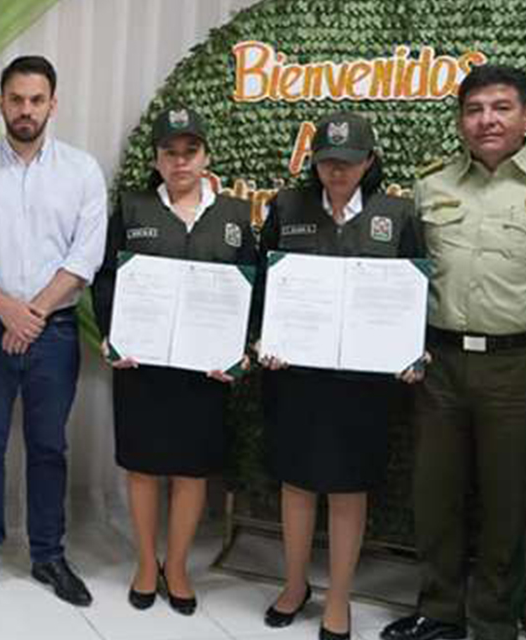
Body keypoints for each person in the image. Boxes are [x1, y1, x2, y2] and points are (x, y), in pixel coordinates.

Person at [0, 55, 108, 607]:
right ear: (0, 102)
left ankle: (49, 555)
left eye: (36, 100)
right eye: (16, 99)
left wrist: (32, 313)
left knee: (48, 447)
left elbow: (85, 256)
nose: (25, 110)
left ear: (52, 104)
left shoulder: (83, 172)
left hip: (54, 333)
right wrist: (7, 312)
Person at [257, 112, 425, 640]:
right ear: (314, 162)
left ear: (368, 162)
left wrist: (412, 352)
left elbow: (414, 293)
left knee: (349, 487)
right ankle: (293, 585)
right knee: (298, 482)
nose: (337, 172)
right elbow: (265, 281)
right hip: (297, 376)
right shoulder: (288, 207)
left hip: (362, 384)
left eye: (348, 163)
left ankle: (339, 598)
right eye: (327, 161)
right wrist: (265, 339)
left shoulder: (395, 215)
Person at [92, 107, 256, 616]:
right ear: (157, 159)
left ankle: (178, 566)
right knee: (143, 468)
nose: (180, 161)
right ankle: (146, 562)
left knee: (190, 471)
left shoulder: (233, 215)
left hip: (203, 369)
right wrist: (111, 336)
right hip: (141, 363)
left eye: (190, 151)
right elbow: (106, 279)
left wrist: (242, 348)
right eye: (170, 152)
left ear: (206, 156)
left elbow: (253, 285)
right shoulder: (133, 208)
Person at [381, 64, 526, 640]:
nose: (486, 119)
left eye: (501, 107)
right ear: (461, 120)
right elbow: (406, 278)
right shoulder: (433, 186)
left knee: (506, 499)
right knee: (435, 494)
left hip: (513, 366)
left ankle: (493, 619)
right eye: (474, 109)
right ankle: (439, 611)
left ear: (523, 116)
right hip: (438, 364)